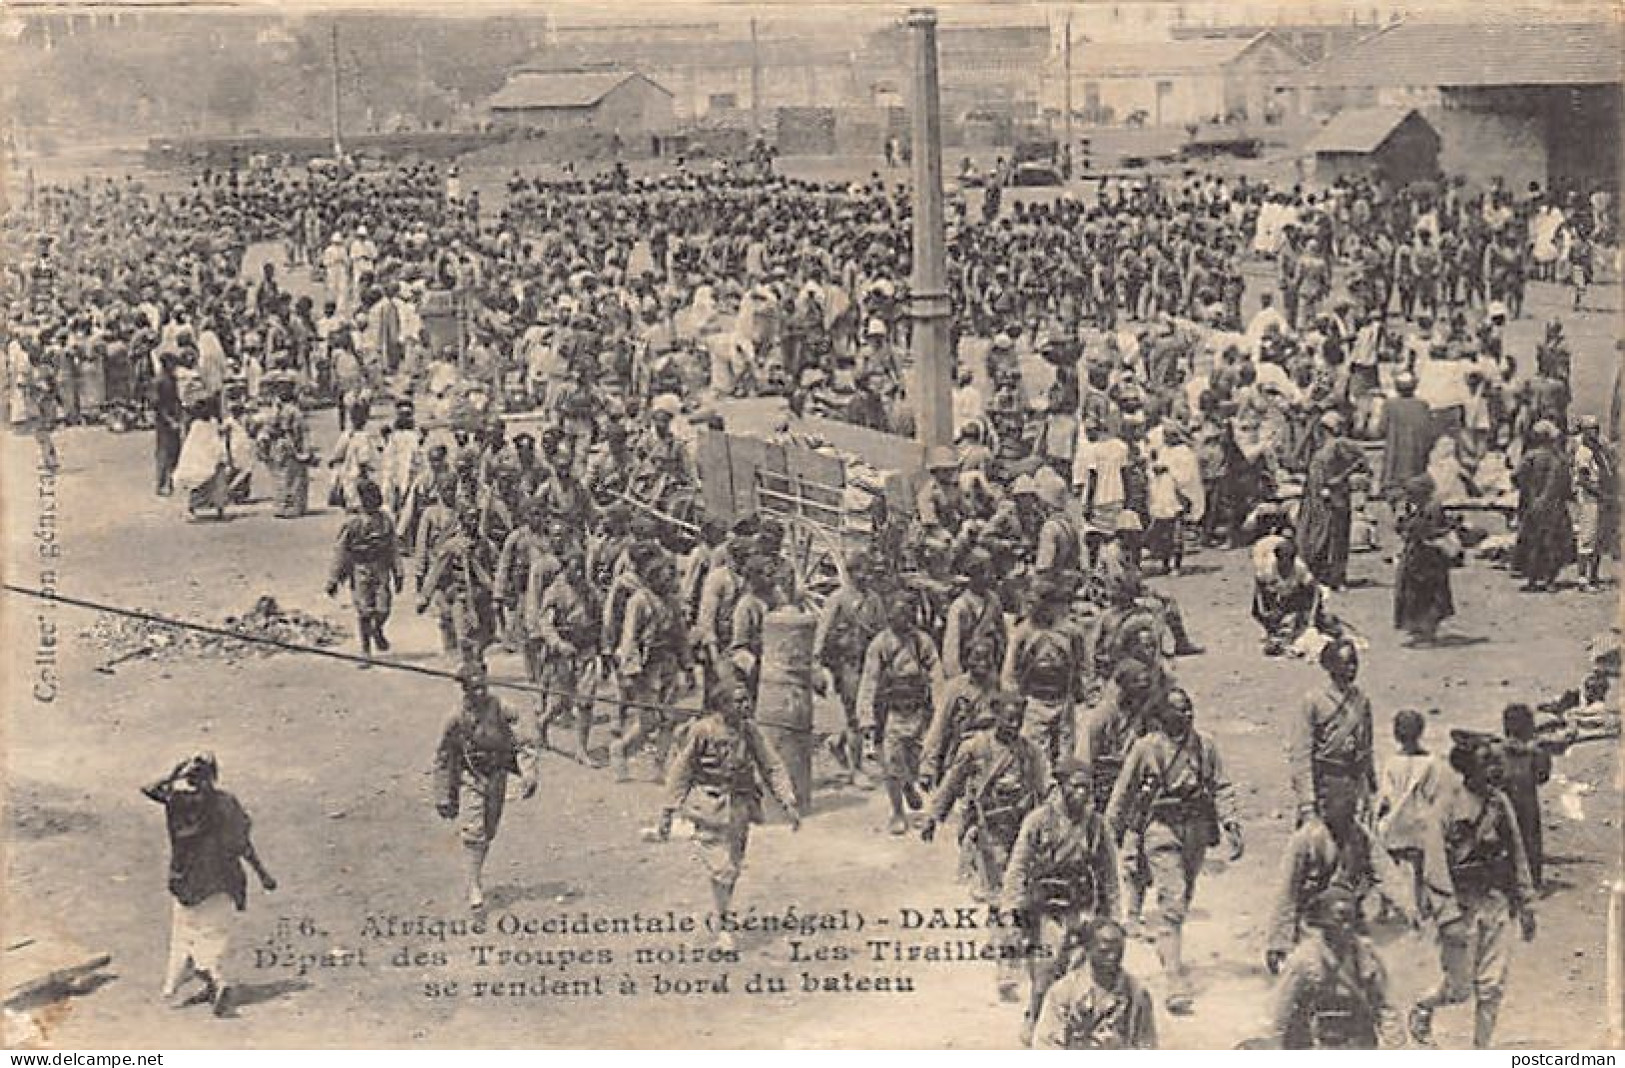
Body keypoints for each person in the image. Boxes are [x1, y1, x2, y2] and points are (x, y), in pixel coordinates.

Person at [1108, 688, 1243, 1013]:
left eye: (1189, 709)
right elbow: (1123, 791)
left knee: (1184, 895)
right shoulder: (1146, 748)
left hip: (1195, 828)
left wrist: (1231, 822)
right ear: (1161, 715)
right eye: (1178, 710)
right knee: (1172, 901)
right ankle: (1174, 979)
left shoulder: (1205, 745)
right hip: (1161, 829)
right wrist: (1109, 830)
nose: (1185, 716)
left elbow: (1221, 786)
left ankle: (1169, 945)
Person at [1409, 731, 1537, 1049]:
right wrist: (1447, 915)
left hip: (1495, 900)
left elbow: (1517, 852)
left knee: (1492, 986)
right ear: (1468, 767)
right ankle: (1423, 1007)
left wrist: (1526, 903)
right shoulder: (1447, 804)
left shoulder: (1500, 802)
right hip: (1463, 906)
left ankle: (1482, 1050)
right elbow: (1435, 864)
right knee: (1460, 988)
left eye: (1495, 761)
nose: (1494, 768)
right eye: (1486, 762)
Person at [657, 670, 800, 950]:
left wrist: (788, 801)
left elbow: (771, 765)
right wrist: (668, 810)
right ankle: (725, 928)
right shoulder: (702, 730)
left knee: (732, 866)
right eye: (738, 702)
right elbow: (681, 772)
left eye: (747, 701)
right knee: (722, 867)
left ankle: (723, 917)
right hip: (708, 805)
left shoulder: (750, 729)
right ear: (722, 705)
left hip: (739, 806)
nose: (745, 706)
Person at [143, 752, 276, 1016]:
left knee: (188, 934)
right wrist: (262, 873)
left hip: (189, 881)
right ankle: (213, 983)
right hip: (225, 878)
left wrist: (175, 771)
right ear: (214, 777)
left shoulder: (179, 802)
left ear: (189, 779)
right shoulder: (227, 803)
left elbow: (150, 789)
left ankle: (215, 981)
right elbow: (243, 843)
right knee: (213, 935)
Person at [1002, 758, 1120, 1045]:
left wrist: (1114, 915)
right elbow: (1018, 866)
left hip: (1081, 907)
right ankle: (1034, 1015)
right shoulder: (1039, 821)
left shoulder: (1096, 825)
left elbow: (1109, 873)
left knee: (1080, 972)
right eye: (1076, 786)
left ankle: (1069, 1028)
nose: (1082, 793)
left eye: (1087, 788)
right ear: (1060, 786)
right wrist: (1011, 908)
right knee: (1045, 972)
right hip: (1046, 910)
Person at [433, 658, 538, 911]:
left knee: (489, 831)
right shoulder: (456, 718)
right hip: (471, 776)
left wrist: (528, 773)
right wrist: (442, 794)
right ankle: (474, 884)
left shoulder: (503, 708)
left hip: (497, 775)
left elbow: (525, 741)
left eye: (483, 687)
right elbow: (443, 757)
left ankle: (475, 870)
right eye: (474, 689)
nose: (480, 693)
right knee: (474, 832)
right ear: (465, 690)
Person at [1268, 886, 1397, 1049]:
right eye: (1340, 919)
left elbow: (1384, 1005)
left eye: (1351, 919)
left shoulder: (1366, 954)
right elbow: (1281, 1007)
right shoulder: (1305, 957)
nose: (1347, 926)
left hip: (1357, 1038)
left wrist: (1395, 1046)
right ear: (1324, 922)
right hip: (1317, 1039)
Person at [857, 592, 941, 834]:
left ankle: (909, 785)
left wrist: (940, 704)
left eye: (905, 614)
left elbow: (935, 672)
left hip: (918, 711)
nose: (900, 619)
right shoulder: (881, 644)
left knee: (916, 763)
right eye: (895, 614)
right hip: (893, 712)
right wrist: (866, 717)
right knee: (893, 764)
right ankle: (897, 812)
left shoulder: (921, 641)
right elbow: (869, 680)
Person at [813, 550, 887, 784]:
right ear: (852, 573)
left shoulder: (874, 599)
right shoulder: (838, 599)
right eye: (862, 572)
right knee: (856, 716)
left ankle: (837, 742)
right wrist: (816, 664)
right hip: (847, 663)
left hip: (870, 663)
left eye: (869, 572)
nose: (867, 577)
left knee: (870, 711)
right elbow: (822, 633)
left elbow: (883, 631)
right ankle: (856, 770)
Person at [1289, 638, 1376, 830]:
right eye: (1346, 663)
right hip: (1325, 785)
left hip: (1353, 784)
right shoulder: (1314, 701)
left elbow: (1367, 748)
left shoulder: (1361, 700)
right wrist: (1307, 802)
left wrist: (1370, 788)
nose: (1352, 668)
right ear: (1330, 666)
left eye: (1355, 662)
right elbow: (1300, 753)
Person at [1031, 919, 1158, 1050]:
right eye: (1104, 951)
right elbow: (1045, 1044)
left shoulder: (1136, 992)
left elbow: (1146, 1044)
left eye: (1119, 951)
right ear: (1087, 949)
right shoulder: (1064, 991)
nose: (1112, 957)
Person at [1373, 708, 1446, 921]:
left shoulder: (1391, 762)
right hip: (1420, 824)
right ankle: (1421, 905)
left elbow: (1385, 796)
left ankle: (1385, 908)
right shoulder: (1431, 762)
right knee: (1420, 867)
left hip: (1396, 822)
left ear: (1396, 734)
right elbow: (1434, 793)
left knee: (1387, 867)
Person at [326, 479, 403, 663]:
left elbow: (393, 548)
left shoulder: (385, 521)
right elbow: (341, 551)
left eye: (375, 498)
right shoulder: (352, 523)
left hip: (381, 568)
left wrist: (398, 573)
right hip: (360, 569)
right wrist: (333, 579)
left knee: (383, 608)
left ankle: (377, 630)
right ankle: (365, 649)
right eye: (368, 498)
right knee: (364, 611)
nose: (373, 502)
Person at [1297, 412, 1368, 589]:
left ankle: (1327, 575)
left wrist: (1344, 475)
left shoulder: (1333, 447)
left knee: (1324, 536)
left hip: (1326, 497)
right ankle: (1332, 576)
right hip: (1330, 496)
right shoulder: (1338, 446)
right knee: (1333, 537)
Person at [1394, 474, 1457, 643]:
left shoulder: (1432, 508)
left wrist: (1408, 528)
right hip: (1418, 555)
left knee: (1427, 593)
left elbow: (1428, 530)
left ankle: (1427, 629)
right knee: (1415, 593)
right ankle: (1419, 627)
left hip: (1428, 557)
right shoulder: (1419, 507)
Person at [1513, 421, 1574, 592]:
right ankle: (1550, 581)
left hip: (1532, 504)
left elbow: (1516, 477)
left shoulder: (1530, 456)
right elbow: (1567, 484)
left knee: (1532, 541)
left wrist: (1528, 490)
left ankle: (1532, 580)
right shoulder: (1560, 459)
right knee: (1554, 542)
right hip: (1555, 506)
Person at [1499, 704, 1552, 893]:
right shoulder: (1536, 752)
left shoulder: (1498, 750)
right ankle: (1534, 883)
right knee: (1531, 840)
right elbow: (1542, 777)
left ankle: (1507, 882)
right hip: (1527, 800)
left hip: (1503, 801)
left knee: (1505, 840)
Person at [1379, 371, 1434, 504]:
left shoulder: (1390, 405)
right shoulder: (1422, 405)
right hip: (1417, 451)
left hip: (1396, 451)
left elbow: (1381, 428)